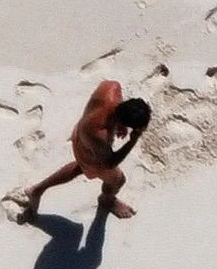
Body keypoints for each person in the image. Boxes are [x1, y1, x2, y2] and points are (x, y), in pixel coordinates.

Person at [12, 80, 151, 221]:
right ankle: (106, 200)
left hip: (80, 132)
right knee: (118, 180)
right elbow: (110, 163)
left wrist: (120, 125)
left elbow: (112, 107)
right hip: (89, 149)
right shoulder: (101, 134)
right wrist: (133, 140)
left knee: (80, 167)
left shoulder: (112, 89)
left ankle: (36, 190)